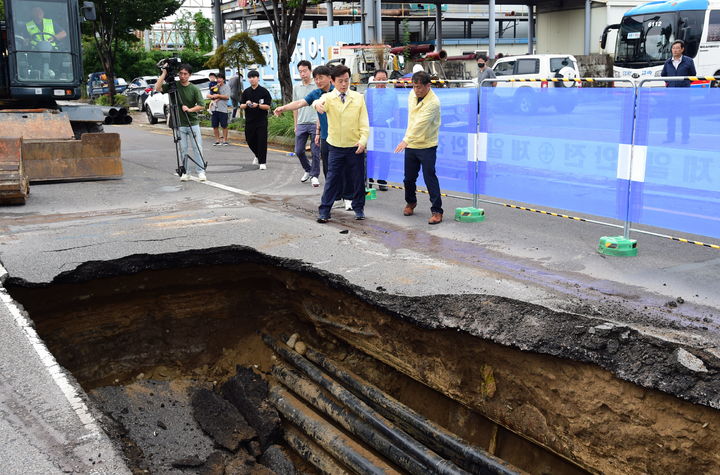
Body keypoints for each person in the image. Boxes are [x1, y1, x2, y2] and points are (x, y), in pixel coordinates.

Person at [313, 65, 369, 222]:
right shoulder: (329, 98)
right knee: (332, 179)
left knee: (357, 179)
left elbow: (364, 123)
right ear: (333, 81)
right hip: (336, 146)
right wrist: (316, 105)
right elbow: (318, 101)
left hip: (355, 146)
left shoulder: (358, 98)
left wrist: (363, 141)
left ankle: (359, 209)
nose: (344, 84)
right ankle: (324, 210)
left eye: (346, 81)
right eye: (340, 81)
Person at [394, 71, 443, 225]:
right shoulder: (411, 94)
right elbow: (412, 120)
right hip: (411, 144)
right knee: (408, 178)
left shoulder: (433, 102)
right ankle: (411, 202)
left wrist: (405, 140)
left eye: (420, 87)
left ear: (428, 85)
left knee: (430, 177)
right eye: (414, 86)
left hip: (427, 144)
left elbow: (421, 124)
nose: (417, 90)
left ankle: (437, 211)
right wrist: (407, 140)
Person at [275, 65, 335, 188]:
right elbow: (299, 103)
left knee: (340, 165)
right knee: (328, 167)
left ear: (329, 78)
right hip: (325, 136)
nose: (318, 81)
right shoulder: (316, 93)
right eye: (316, 79)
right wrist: (283, 108)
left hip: (340, 136)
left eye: (321, 78)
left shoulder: (337, 91)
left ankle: (347, 195)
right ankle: (334, 194)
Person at [155, 63, 207, 182]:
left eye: (185, 74)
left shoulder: (194, 89)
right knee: (182, 149)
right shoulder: (174, 86)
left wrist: (190, 110)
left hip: (192, 123)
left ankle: (201, 171)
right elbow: (157, 88)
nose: (182, 76)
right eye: (181, 73)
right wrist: (164, 73)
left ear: (189, 75)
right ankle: (185, 172)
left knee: (197, 148)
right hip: (179, 123)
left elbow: (202, 105)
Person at [291, 60, 321, 186]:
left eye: (305, 71)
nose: (303, 74)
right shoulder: (296, 87)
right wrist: (295, 125)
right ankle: (308, 170)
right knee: (298, 150)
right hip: (302, 123)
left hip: (315, 123)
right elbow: (295, 106)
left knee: (315, 151)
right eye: (300, 71)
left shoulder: (316, 86)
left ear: (310, 70)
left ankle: (314, 175)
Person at [660, 39, 696, 144]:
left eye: (677, 48)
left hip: (684, 93)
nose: (675, 50)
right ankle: (670, 138)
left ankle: (685, 138)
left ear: (682, 49)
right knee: (671, 117)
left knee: (685, 117)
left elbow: (693, 74)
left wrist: (684, 84)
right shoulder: (667, 62)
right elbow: (663, 75)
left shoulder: (689, 61)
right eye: (673, 48)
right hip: (671, 94)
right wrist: (670, 84)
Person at [240, 70, 272, 170]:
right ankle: (258, 155)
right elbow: (241, 105)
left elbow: (267, 106)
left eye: (254, 77)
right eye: (250, 77)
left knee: (262, 141)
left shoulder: (264, 91)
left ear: (258, 78)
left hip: (261, 120)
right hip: (249, 120)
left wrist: (258, 105)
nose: (252, 79)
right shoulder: (246, 91)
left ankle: (262, 162)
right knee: (249, 140)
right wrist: (247, 103)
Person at [209, 72, 231, 146]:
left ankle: (225, 140)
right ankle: (217, 140)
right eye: (218, 78)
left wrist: (218, 95)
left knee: (224, 126)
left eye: (220, 78)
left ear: (223, 79)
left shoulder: (226, 87)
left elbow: (227, 97)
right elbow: (209, 94)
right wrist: (211, 96)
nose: (219, 80)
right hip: (214, 109)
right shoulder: (215, 86)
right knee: (215, 126)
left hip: (223, 109)